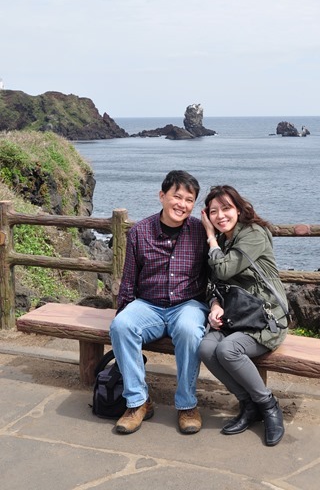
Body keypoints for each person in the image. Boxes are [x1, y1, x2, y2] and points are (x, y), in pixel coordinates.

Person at [109, 170, 210, 436]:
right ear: (162, 196)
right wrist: (124, 313)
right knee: (121, 325)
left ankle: (187, 405)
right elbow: (129, 279)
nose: (182, 204)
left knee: (189, 331)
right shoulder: (140, 231)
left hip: (188, 304)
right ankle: (138, 403)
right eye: (177, 197)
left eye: (189, 200)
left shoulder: (200, 231)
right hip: (149, 305)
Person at [200, 185, 288, 447]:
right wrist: (215, 305)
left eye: (226, 208)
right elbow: (214, 283)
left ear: (238, 209)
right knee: (205, 348)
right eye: (213, 212)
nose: (220, 216)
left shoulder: (253, 234)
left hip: (267, 317)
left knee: (228, 349)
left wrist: (209, 236)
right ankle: (247, 404)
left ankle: (269, 406)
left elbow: (225, 270)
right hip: (238, 317)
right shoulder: (226, 240)